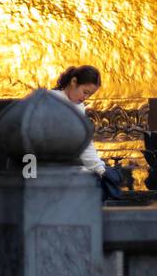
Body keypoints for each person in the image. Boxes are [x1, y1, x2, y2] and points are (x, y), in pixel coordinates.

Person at [51, 65, 124, 199]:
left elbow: (84, 141)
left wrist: (100, 169)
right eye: (85, 92)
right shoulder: (51, 100)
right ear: (73, 82)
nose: (86, 97)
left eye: (90, 94)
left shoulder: (78, 106)